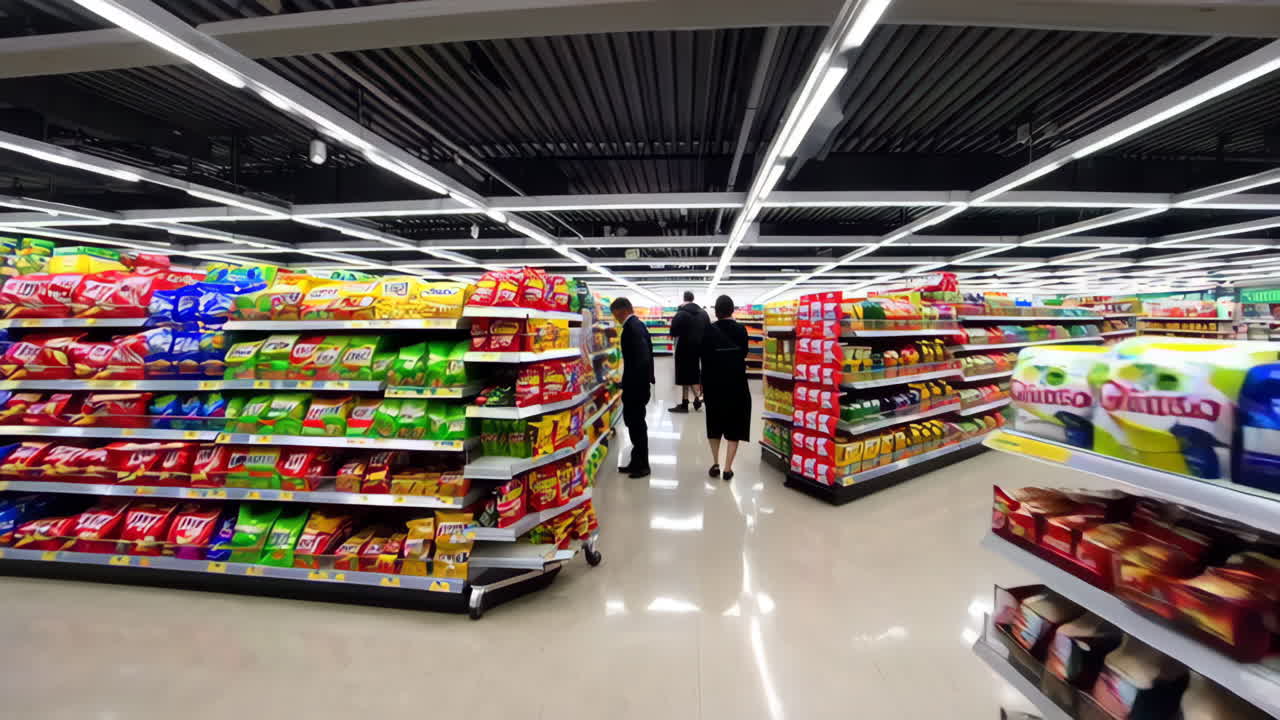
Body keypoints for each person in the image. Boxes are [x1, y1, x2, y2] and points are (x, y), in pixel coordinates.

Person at [700, 294, 751, 481]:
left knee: (714, 423)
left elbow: (703, 359)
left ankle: (715, 462)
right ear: (732, 310)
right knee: (734, 425)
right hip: (736, 383)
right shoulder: (741, 330)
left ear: (716, 311)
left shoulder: (708, 331)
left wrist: (702, 384)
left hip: (714, 383)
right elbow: (744, 353)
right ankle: (728, 468)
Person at [611, 297, 654, 478]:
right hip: (638, 385)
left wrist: (630, 384)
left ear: (622, 311)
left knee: (636, 425)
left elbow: (641, 359)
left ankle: (643, 465)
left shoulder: (631, 328)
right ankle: (635, 461)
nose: (616, 319)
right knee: (635, 424)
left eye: (616, 315)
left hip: (636, 388)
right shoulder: (639, 325)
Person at [668, 291, 709, 413]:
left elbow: (673, 332)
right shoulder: (703, 313)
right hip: (701, 350)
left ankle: (696, 398)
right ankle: (687, 401)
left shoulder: (681, 313)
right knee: (694, 374)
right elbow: (709, 331)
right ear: (693, 298)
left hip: (684, 349)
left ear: (684, 299)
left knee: (686, 375)